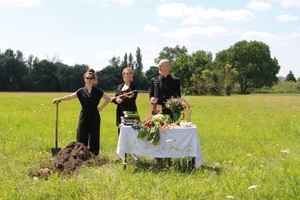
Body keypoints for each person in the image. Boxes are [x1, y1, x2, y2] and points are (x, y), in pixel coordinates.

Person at [52, 68, 111, 156]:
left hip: (94, 114)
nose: (89, 80)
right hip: (84, 114)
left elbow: (108, 98)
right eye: (87, 78)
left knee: (94, 134)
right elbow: (70, 97)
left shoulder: (98, 91)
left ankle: (94, 155)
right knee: (82, 133)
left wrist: (101, 108)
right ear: (84, 79)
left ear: (94, 79)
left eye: (91, 78)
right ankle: (81, 154)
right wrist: (59, 99)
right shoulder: (81, 91)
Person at [149, 59, 181, 167]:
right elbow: (151, 95)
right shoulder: (154, 80)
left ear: (168, 67)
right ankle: (157, 157)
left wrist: (175, 103)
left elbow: (178, 96)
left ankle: (169, 157)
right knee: (157, 133)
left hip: (171, 112)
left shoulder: (175, 80)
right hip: (157, 111)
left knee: (170, 134)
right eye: (159, 66)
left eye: (161, 66)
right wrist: (152, 98)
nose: (159, 67)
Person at [111, 67, 138, 135]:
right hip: (120, 112)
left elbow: (132, 99)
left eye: (131, 73)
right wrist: (117, 100)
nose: (129, 75)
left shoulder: (134, 86)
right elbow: (115, 98)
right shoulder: (120, 86)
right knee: (121, 131)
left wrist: (121, 100)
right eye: (127, 73)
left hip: (131, 112)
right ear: (123, 74)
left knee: (132, 132)